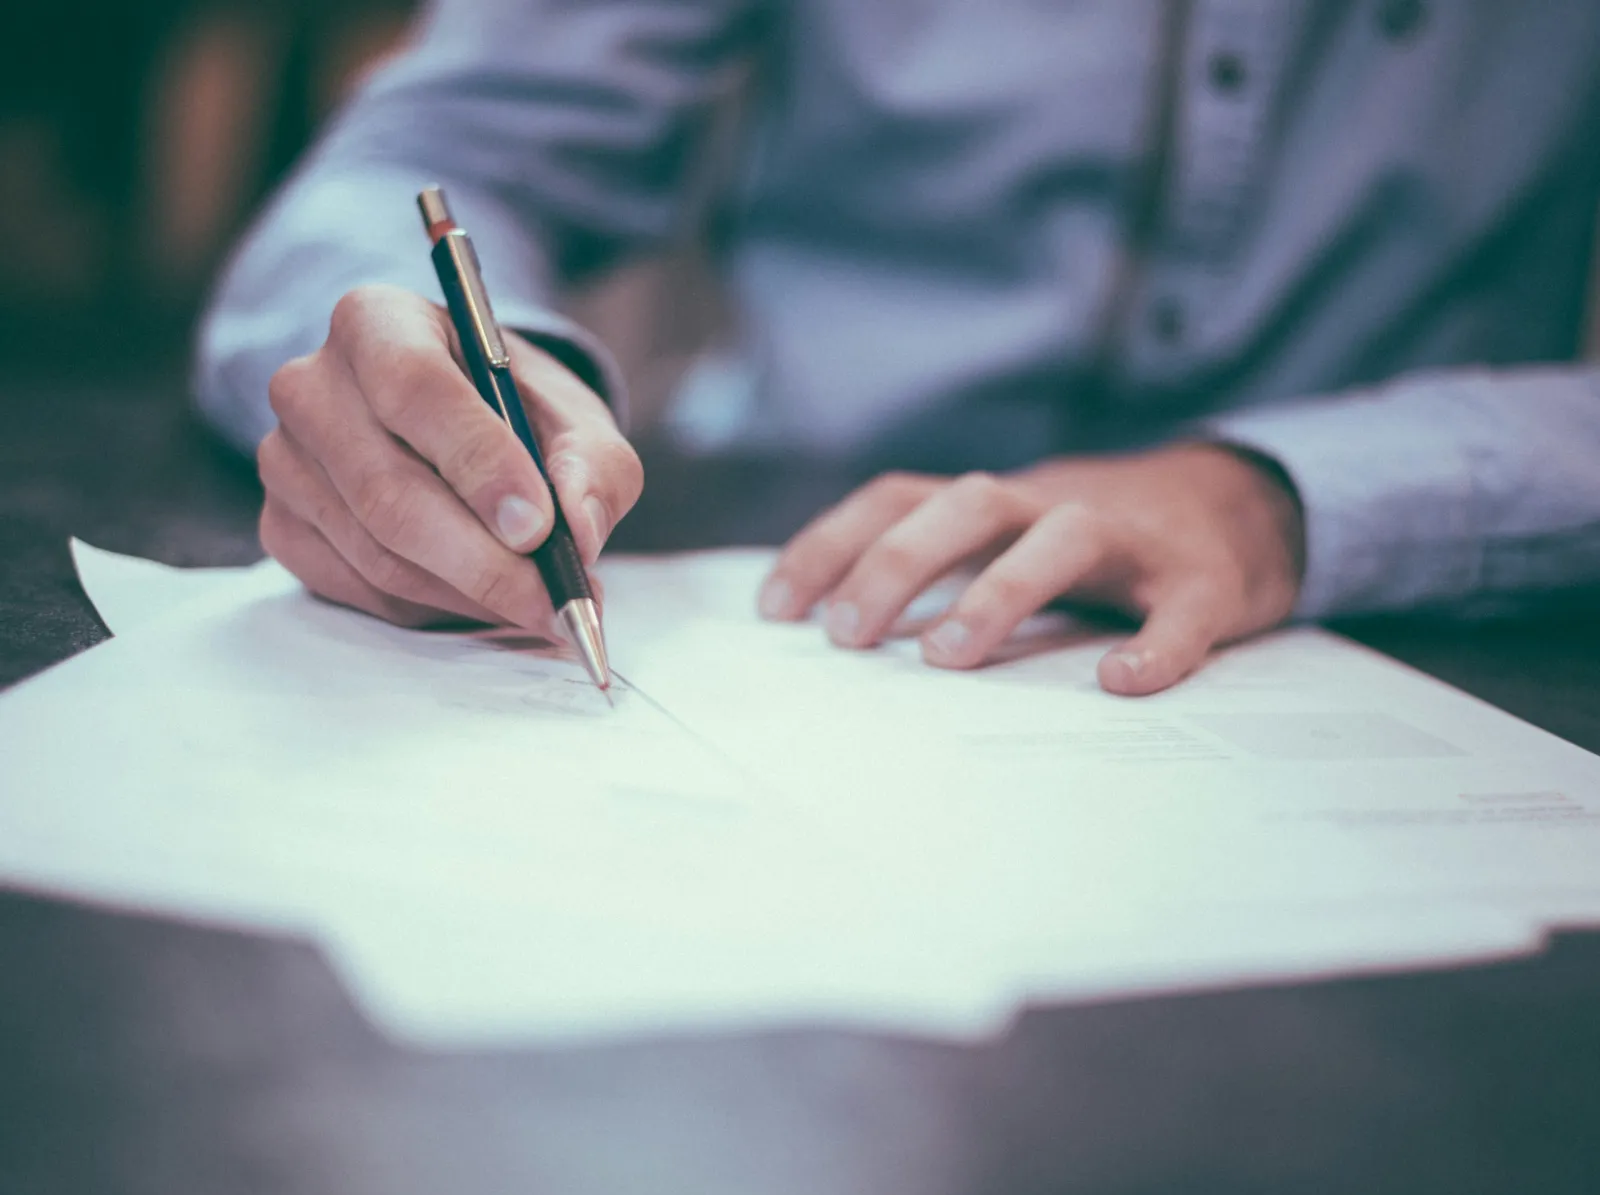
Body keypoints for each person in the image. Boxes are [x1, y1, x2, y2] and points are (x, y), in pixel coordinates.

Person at [195, 0, 1600, 696]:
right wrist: (428, 382)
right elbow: (422, 158)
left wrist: (1282, 492)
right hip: (788, 586)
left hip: (1427, 636)